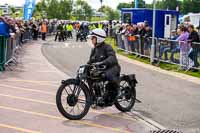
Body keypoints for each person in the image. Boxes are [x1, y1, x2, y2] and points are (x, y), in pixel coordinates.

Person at [87, 28, 121, 102]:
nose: (91, 39)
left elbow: (112, 58)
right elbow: (90, 61)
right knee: (89, 76)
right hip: (101, 69)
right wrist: (86, 66)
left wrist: (102, 62)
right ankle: (94, 96)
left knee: (105, 76)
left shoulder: (107, 47)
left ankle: (114, 92)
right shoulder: (94, 49)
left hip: (112, 68)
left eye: (93, 38)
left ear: (98, 38)